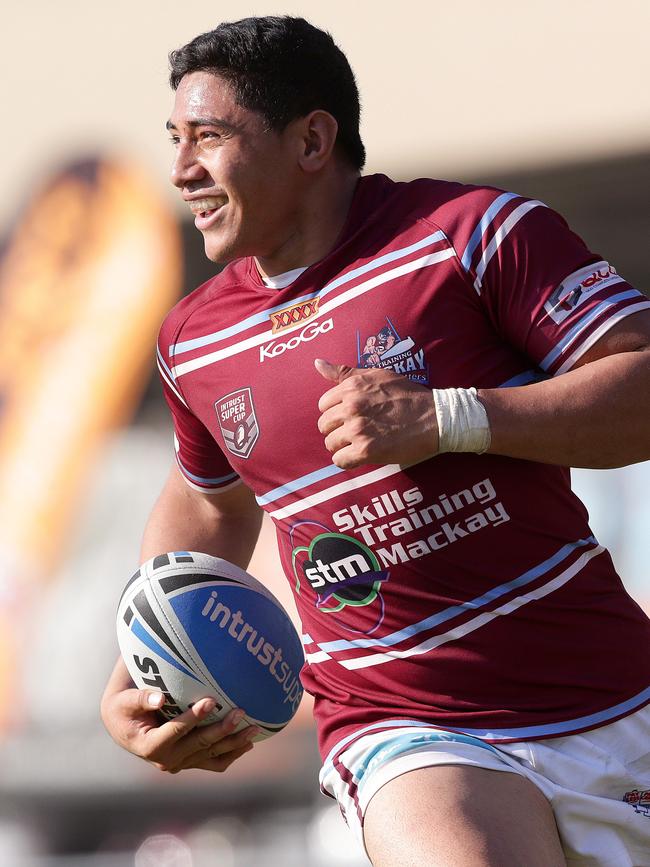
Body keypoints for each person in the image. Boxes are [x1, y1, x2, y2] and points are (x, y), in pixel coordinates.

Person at [100, 16, 650, 866]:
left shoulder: (469, 233)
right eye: (174, 140)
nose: (180, 171)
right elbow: (208, 507)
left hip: (612, 693)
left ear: (312, 139)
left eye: (207, 138)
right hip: (406, 726)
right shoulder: (192, 341)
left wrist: (449, 418)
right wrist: (143, 658)